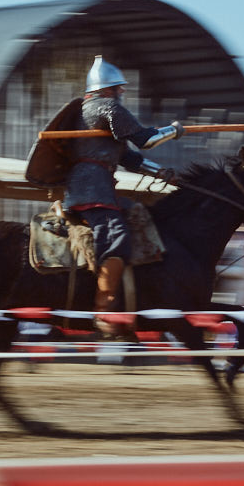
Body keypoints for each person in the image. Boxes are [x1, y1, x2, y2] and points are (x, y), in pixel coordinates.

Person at [62, 55, 183, 333]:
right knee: (116, 236)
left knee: (138, 212)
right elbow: (146, 140)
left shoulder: (93, 115)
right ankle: (104, 308)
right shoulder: (106, 107)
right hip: (91, 188)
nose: (122, 92)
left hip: (97, 185)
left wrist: (161, 172)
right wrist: (174, 131)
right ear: (105, 90)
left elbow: (131, 158)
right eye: (118, 87)